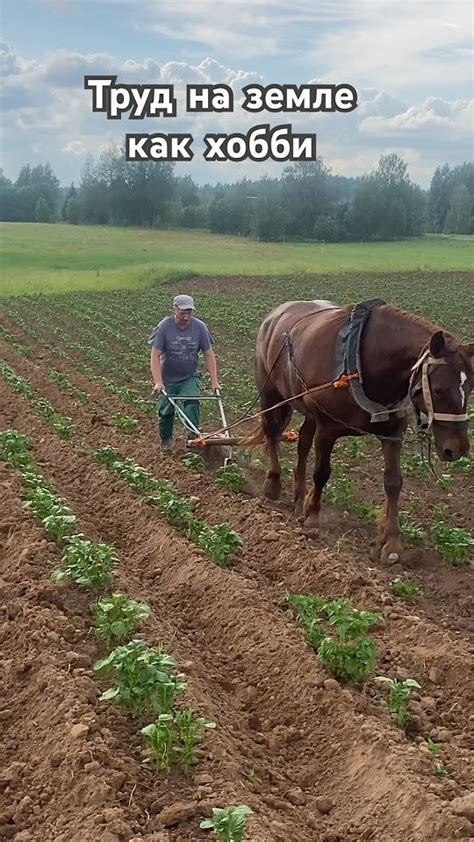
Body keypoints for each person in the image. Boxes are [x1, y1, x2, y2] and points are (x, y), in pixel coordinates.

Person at [149, 294, 221, 448]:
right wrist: (158, 382)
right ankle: (166, 440)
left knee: (191, 402)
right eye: (183, 313)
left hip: (189, 376)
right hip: (167, 378)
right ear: (174, 309)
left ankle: (193, 438)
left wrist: (215, 381)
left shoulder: (200, 327)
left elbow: (209, 354)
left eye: (189, 313)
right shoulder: (164, 327)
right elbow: (155, 355)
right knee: (166, 411)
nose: (186, 317)